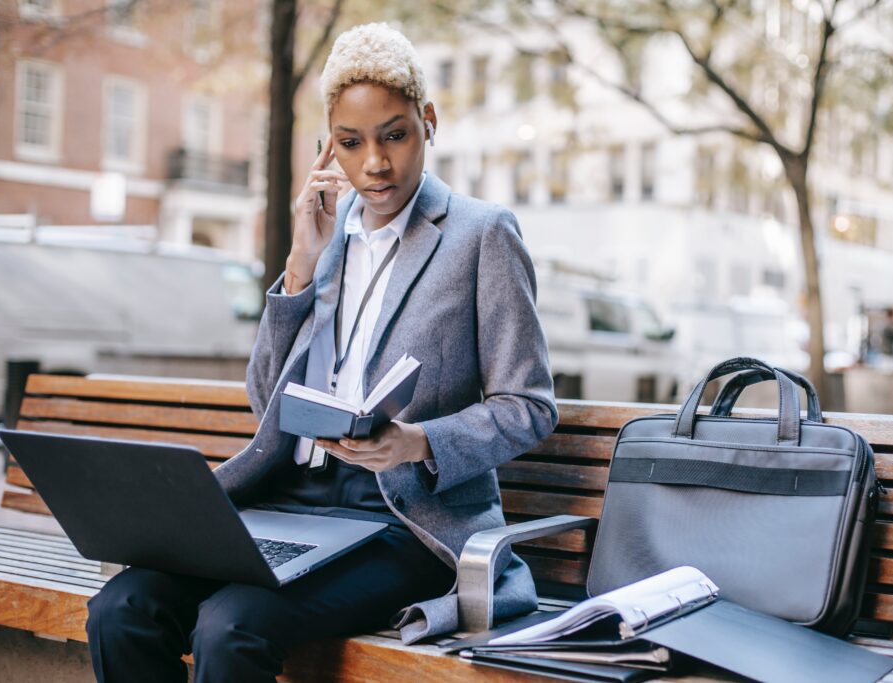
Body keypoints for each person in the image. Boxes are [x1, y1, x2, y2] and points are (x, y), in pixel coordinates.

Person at [85, 22, 557, 682]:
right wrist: (299, 270)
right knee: (121, 607)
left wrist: (417, 441)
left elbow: (528, 406)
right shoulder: (324, 237)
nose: (376, 163)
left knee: (231, 625)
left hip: (400, 521)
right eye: (351, 142)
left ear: (429, 121)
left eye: (394, 134)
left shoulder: (481, 236)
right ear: (327, 146)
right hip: (289, 503)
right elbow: (264, 398)